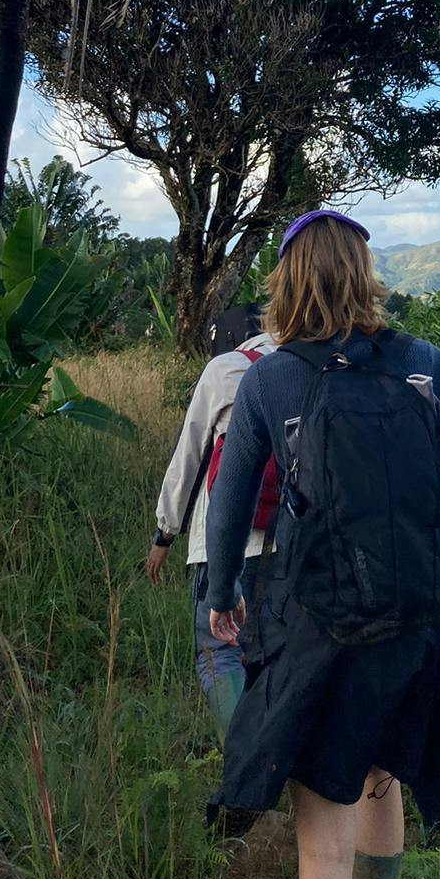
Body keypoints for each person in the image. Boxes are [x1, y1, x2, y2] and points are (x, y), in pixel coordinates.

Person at [205, 210, 440, 879]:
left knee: (325, 846)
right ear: (364, 274)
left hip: (317, 628)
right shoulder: (422, 365)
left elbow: (231, 505)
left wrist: (220, 593)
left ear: (287, 282)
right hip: (415, 623)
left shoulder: (269, 380)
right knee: (383, 777)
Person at [145, 316, 280, 746]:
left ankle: (243, 762)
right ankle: (283, 760)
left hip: (221, 542)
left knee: (220, 653)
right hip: (295, 543)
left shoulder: (228, 370)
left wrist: (164, 534)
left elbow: (189, 455)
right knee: (280, 655)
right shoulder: (323, 368)